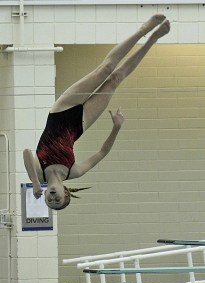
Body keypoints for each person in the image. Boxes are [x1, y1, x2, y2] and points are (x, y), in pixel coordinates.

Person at [23, 14, 170, 210]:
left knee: (104, 69)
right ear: (65, 193)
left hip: (60, 111)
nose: (52, 199)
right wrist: (116, 127)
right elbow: (102, 152)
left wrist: (34, 182)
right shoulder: (73, 172)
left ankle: (142, 30)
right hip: (80, 124)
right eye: (58, 200)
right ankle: (152, 38)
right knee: (115, 78)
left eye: (50, 202)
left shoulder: (39, 174)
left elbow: (26, 152)